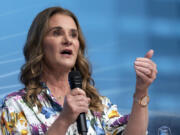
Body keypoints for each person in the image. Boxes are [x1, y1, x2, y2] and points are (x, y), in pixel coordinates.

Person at [0, 6, 157, 135]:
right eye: (57, 33)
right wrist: (64, 119)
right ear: (39, 45)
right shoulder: (15, 106)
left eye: (73, 35)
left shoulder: (98, 105)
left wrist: (141, 91)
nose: (68, 40)